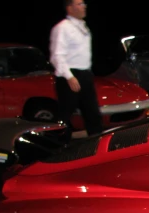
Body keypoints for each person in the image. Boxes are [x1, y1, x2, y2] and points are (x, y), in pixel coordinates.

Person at [50, 0, 102, 142]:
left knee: (93, 113)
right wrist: (69, 77)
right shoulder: (62, 28)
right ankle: (60, 147)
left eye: (84, 3)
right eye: (79, 4)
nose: (84, 6)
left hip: (85, 74)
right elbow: (57, 55)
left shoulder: (83, 27)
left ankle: (96, 144)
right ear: (70, 8)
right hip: (70, 76)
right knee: (65, 115)